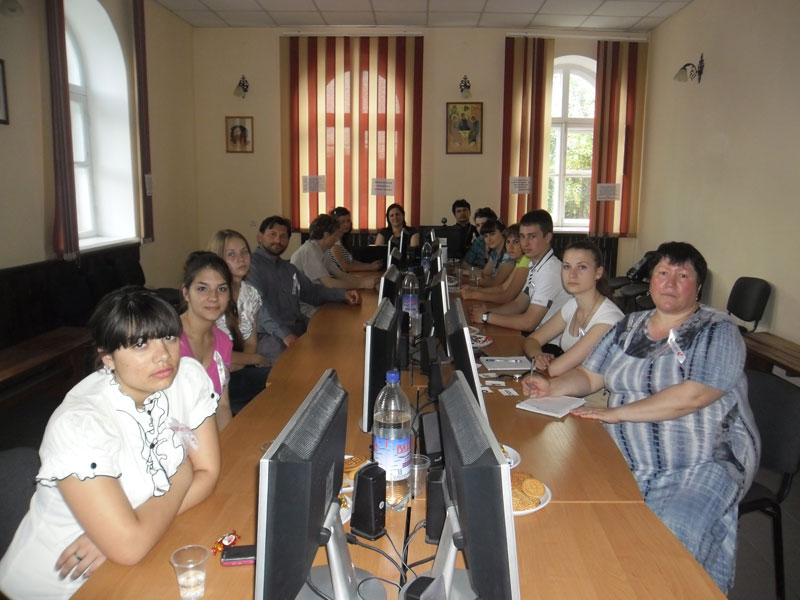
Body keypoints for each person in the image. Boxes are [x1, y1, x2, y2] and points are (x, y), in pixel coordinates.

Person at [522, 242, 760, 594]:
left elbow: (695, 395)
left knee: (672, 535)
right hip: (629, 453)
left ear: (698, 287)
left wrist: (616, 414)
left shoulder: (717, 330)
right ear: (651, 280)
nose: (670, 283)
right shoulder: (629, 326)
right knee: (580, 510)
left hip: (704, 460)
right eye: (663, 273)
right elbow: (590, 376)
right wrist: (550, 387)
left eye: (682, 276)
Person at [0, 287, 220, 600]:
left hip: (136, 556)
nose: (163, 355)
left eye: (169, 337)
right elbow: (129, 547)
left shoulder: (185, 378)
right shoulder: (80, 424)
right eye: (140, 344)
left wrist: (135, 530)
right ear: (108, 358)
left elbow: (208, 473)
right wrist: (183, 472)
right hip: (62, 583)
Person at [248, 216, 361, 363]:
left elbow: (313, 292)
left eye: (283, 236)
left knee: (339, 338)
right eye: (272, 234)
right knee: (292, 366)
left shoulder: (288, 269)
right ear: (260, 237)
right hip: (269, 335)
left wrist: (343, 295)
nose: (278, 240)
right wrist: (285, 334)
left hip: (297, 327)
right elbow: (259, 306)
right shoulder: (251, 267)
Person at [523, 241, 623, 376]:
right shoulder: (573, 305)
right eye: (566, 266)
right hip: (570, 381)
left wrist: (549, 362)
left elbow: (556, 368)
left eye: (582, 267)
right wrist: (538, 355)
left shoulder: (609, 319)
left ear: (598, 273)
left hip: (597, 389)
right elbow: (532, 340)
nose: (572, 274)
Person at [469, 209, 570, 337]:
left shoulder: (550, 271)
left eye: (532, 236)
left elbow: (529, 323)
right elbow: (519, 304)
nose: (525, 243)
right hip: (536, 336)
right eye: (522, 236)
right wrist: (488, 311)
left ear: (547, 237)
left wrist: (486, 317)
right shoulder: (534, 264)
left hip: (550, 343)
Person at [208, 229, 271, 414]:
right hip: (212, 380)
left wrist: (243, 362)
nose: (241, 259)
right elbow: (214, 357)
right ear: (218, 259)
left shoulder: (250, 294)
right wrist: (255, 359)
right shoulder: (211, 299)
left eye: (244, 252)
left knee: (280, 383)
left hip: (239, 370)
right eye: (231, 254)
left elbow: (251, 343)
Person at [179, 251, 234, 431]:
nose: (213, 297)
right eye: (203, 289)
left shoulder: (223, 342)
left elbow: (222, 406)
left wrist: (227, 443)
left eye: (222, 289)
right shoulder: (168, 339)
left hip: (206, 438)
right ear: (186, 293)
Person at [291, 214, 377, 317]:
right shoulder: (309, 251)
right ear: (326, 235)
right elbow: (329, 284)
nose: (337, 240)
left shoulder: (323, 250)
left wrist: (366, 281)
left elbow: (340, 275)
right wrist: (362, 284)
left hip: (320, 301)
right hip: (306, 307)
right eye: (335, 235)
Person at [460, 224, 529, 305]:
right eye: (508, 242)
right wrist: (474, 289)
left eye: (516, 242)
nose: (510, 247)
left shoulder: (525, 260)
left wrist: (474, 295)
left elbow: (507, 296)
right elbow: (502, 287)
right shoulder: (520, 260)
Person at [327, 206, 382, 272]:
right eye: (342, 222)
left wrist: (371, 265)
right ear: (335, 224)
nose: (346, 224)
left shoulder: (342, 240)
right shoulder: (334, 242)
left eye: (348, 221)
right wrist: (371, 267)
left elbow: (351, 262)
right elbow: (345, 267)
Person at [471, 218, 514, 287]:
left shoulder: (509, 255)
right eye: (486, 236)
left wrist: (479, 280)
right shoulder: (495, 252)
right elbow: (485, 274)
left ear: (503, 232)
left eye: (492, 234)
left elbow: (496, 283)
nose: (489, 239)